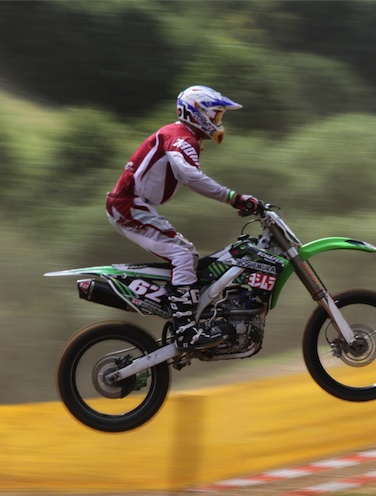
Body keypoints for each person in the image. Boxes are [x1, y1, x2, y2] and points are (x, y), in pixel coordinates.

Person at [105, 85, 260, 350]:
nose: (218, 121)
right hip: (128, 205)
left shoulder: (181, 135)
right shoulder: (180, 137)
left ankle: (186, 311)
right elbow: (189, 176)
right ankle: (186, 331)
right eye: (216, 115)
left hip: (135, 205)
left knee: (188, 253)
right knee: (183, 255)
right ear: (198, 113)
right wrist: (233, 197)